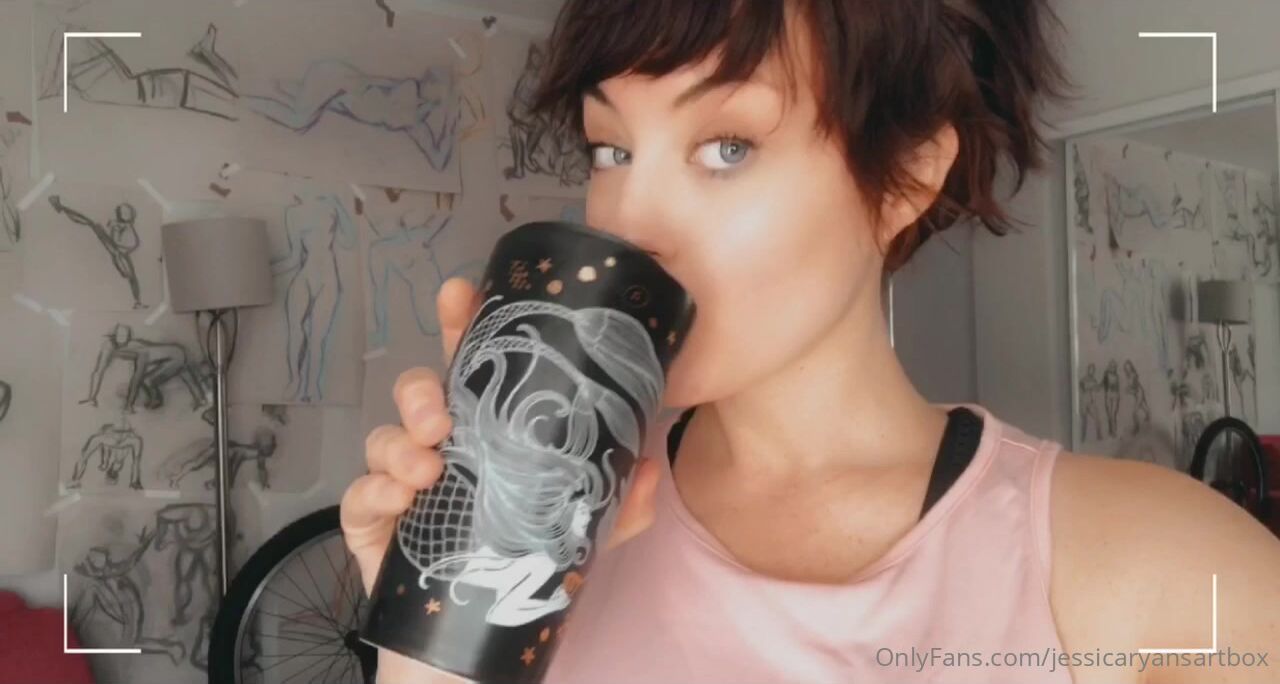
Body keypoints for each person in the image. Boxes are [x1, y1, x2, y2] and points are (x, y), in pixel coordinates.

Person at [342, 1, 1280, 682]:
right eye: (612, 150)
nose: (631, 224)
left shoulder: (1168, 570)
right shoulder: (547, 536)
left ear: (906, 178)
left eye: (727, 148)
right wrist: (436, 649)